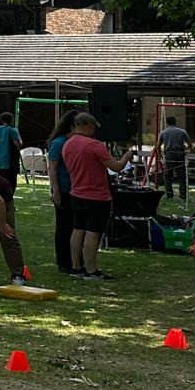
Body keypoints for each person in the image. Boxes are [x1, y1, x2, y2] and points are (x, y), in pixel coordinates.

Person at [61, 112, 114, 279]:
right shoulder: (95, 145)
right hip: (97, 196)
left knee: (78, 229)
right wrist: (127, 156)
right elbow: (117, 167)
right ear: (89, 125)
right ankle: (91, 270)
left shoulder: (67, 145)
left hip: (76, 193)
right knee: (93, 232)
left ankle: (76, 268)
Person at [44, 110, 78, 274]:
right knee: (64, 227)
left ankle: (75, 259)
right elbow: (52, 168)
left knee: (74, 226)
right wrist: (56, 190)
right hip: (63, 189)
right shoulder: (59, 143)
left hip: (75, 190)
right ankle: (64, 262)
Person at [153, 115, 190, 200]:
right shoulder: (182, 131)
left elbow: (157, 146)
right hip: (180, 154)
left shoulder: (163, 132)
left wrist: (160, 156)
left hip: (169, 155)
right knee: (181, 176)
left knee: (167, 176)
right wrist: (185, 148)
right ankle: (183, 195)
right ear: (175, 122)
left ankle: (169, 195)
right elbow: (190, 144)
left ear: (167, 123)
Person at [0, 112, 22, 191]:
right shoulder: (12, 130)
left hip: (1, 159)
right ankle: (9, 199)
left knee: (2, 181)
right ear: (12, 120)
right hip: (11, 160)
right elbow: (18, 144)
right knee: (11, 183)